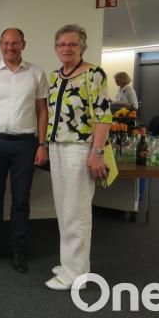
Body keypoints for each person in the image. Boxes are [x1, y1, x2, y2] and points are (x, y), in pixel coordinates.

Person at [44, 24, 112, 291]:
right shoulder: (55, 76)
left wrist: (97, 152)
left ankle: (76, 275)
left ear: (82, 46)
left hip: (80, 147)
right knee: (63, 208)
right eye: (61, 44)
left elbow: (104, 116)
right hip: (56, 146)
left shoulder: (93, 74)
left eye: (72, 44)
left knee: (77, 211)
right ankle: (72, 264)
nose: (66, 48)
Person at [0, 28, 49, 272]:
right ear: (0, 45)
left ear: (23, 45)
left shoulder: (36, 73)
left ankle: (18, 249)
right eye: (6, 43)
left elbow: (42, 111)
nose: (10, 47)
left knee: (21, 199)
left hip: (25, 144)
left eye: (15, 43)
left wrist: (42, 144)